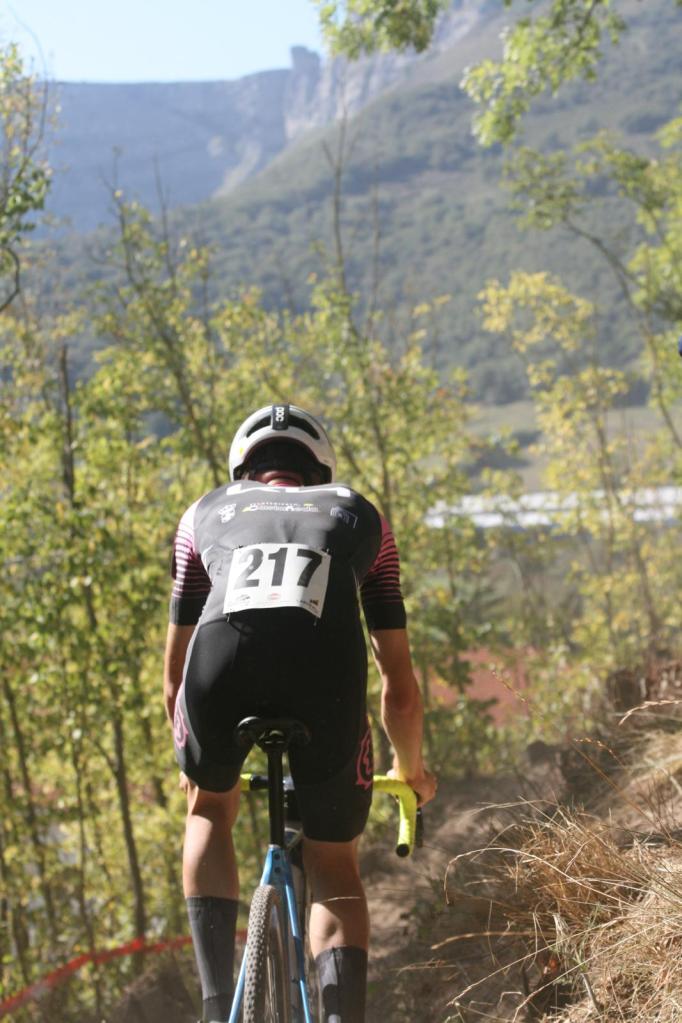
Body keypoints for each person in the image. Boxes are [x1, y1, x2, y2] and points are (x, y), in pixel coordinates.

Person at [163, 403, 436, 1023]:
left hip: (219, 668)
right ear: (321, 470)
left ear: (242, 470)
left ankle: (214, 1007)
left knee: (208, 811)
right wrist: (411, 770)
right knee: (332, 861)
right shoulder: (360, 514)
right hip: (325, 676)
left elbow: (175, 676)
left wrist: (194, 763)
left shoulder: (203, 512)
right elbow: (399, 685)